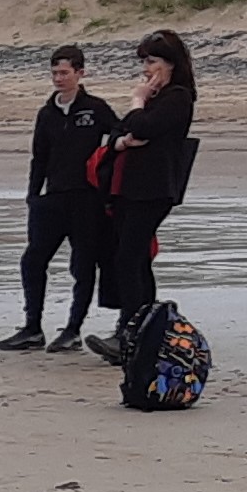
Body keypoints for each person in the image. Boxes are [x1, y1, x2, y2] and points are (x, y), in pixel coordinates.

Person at [83, 27, 197, 360]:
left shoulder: (178, 97)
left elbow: (143, 127)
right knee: (134, 257)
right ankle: (143, 328)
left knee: (129, 257)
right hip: (130, 188)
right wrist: (121, 139)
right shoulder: (158, 99)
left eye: (152, 61)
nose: (146, 69)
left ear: (171, 63)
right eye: (144, 62)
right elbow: (124, 130)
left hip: (154, 189)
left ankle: (131, 333)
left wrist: (137, 102)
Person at [0, 42, 114, 353]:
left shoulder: (96, 108)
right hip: (52, 199)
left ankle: (73, 329)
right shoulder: (47, 113)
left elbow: (118, 142)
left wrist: (106, 188)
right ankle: (32, 328)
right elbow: (39, 157)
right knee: (33, 260)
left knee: (83, 264)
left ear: (80, 73)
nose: (59, 78)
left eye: (64, 73)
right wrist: (33, 195)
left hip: (87, 201)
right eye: (54, 73)